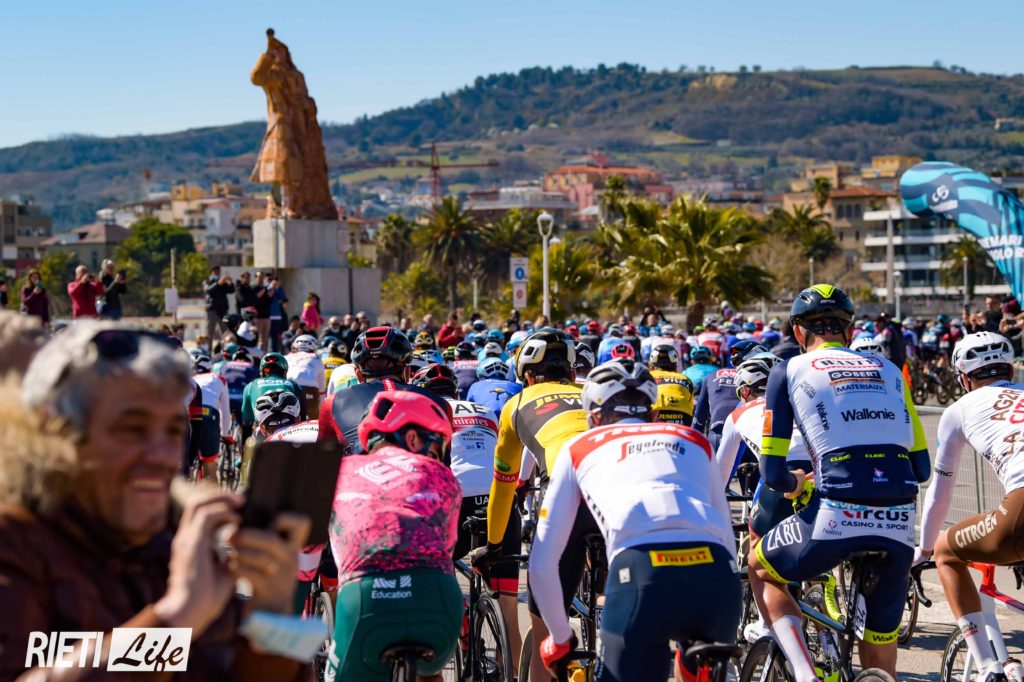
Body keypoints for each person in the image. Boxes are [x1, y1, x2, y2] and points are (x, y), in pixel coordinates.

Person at [4, 322, 310, 678]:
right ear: (57, 431)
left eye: (173, 431)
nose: (163, 456)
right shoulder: (15, 545)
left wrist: (273, 615)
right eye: (133, 429)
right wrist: (174, 620)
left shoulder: (184, 539)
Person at [748, 284, 930, 681]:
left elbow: (772, 474)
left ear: (798, 332)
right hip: (899, 520)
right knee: (879, 646)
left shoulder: (787, 370)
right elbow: (921, 469)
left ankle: (804, 673)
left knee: (759, 567)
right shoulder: (890, 371)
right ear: (849, 330)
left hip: (835, 513)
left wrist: (797, 482)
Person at [531, 360, 738, 681]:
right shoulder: (695, 439)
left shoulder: (578, 446)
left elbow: (541, 564)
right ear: (653, 414)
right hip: (718, 579)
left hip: (642, 575)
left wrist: (560, 639)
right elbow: (726, 534)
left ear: (593, 418)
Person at [326, 390, 462, 682]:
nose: (438, 457)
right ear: (412, 438)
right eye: (436, 447)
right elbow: (446, 550)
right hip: (438, 600)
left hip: (366, 601)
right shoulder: (444, 476)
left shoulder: (338, 471)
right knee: (430, 672)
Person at [476, 329, 588, 682]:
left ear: (525, 377)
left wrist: (494, 546)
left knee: (545, 633)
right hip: (622, 490)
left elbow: (503, 487)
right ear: (573, 373)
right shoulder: (592, 392)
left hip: (565, 490)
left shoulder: (517, 404)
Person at [917, 332, 1024, 681]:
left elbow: (941, 492)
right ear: (1011, 370)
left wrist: (925, 549)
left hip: (1019, 508)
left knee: (947, 551)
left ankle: (988, 668)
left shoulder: (959, 410)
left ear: (964, 379)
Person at [411, 364, 523, 672]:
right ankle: (509, 672)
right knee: (508, 607)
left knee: (434, 570)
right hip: (499, 502)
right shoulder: (484, 412)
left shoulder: (426, 412)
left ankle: (456, 611)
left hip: (455, 501)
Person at [317, 326, 448, 453]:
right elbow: (446, 460)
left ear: (358, 374)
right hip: (416, 466)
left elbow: (322, 459)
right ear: (407, 372)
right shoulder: (439, 402)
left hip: (362, 466)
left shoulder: (332, 402)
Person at [692, 340, 768, 450]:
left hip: (717, 436)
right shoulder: (764, 380)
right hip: (751, 437)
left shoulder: (712, 375)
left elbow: (698, 422)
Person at [241, 352, 306, 442]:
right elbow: (303, 415)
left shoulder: (251, 385)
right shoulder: (293, 384)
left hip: (265, 428)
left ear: (262, 373)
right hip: (290, 428)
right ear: (284, 372)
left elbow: (246, 417)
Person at [189, 349, 231, 480]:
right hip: (210, 417)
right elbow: (225, 411)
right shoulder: (219, 379)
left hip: (190, 416)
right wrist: (225, 434)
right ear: (210, 368)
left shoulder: (190, 380)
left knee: (186, 463)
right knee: (210, 467)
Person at [647, 343, 695, 426]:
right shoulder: (686, 379)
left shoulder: (648, 376)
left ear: (652, 365)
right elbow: (691, 408)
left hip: (656, 413)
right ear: (675, 365)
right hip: (683, 415)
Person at [286, 333, 326, 419]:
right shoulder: (317, 358)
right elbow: (322, 389)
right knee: (313, 420)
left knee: (288, 418)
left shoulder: (286, 357)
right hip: (310, 389)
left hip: (289, 386)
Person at [203, 266, 235, 342]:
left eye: (218, 272)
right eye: (215, 272)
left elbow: (231, 290)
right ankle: (209, 348)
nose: (217, 273)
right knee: (210, 331)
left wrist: (230, 282)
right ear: (211, 273)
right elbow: (208, 290)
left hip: (222, 310)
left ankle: (225, 348)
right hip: (212, 309)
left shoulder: (223, 283)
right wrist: (218, 283)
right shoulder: (207, 282)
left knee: (225, 332)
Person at [267, 275, 288, 352]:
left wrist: (278, 288)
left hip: (277, 316)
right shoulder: (266, 287)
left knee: (275, 337)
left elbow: (283, 299)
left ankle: (275, 352)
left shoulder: (279, 289)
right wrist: (271, 287)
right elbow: (268, 295)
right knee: (267, 336)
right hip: (268, 316)